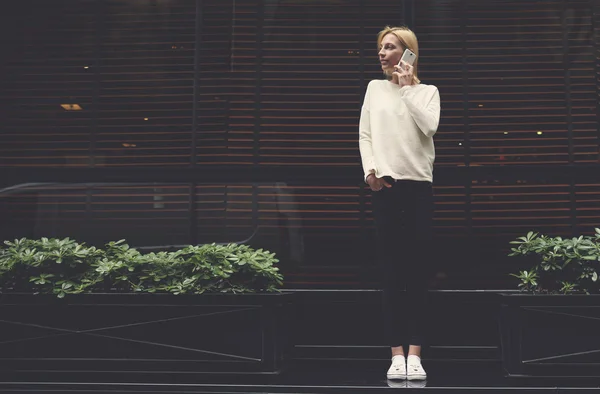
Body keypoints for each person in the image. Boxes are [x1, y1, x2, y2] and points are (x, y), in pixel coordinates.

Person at [358, 26, 441, 381]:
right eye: (380, 47)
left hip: (419, 188)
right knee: (391, 274)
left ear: (408, 53)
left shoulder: (427, 92)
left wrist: (408, 90)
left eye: (389, 47)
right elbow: (365, 134)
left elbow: (430, 128)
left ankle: (416, 355)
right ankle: (395, 354)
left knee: (418, 274)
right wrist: (371, 174)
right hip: (388, 188)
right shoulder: (374, 89)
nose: (381, 53)